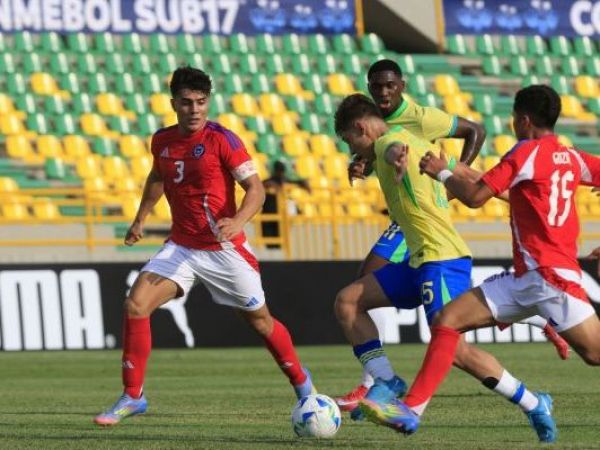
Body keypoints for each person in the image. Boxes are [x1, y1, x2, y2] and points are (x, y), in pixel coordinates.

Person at [336, 59, 568, 411]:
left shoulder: (405, 130)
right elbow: (457, 170)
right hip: (419, 251)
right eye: (377, 86)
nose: (383, 91)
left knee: (453, 345)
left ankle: (534, 401)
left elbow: (398, 147)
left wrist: (428, 174)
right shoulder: (398, 139)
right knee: (349, 299)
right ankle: (384, 380)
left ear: (360, 127)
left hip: (438, 253)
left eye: (350, 141)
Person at [376, 85, 600, 443]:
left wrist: (441, 172)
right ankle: (411, 410)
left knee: (595, 355)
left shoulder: (525, 152)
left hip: (550, 278)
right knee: (447, 321)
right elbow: (490, 182)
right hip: (526, 278)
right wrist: (452, 166)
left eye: (513, 118)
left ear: (523, 120)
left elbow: (476, 197)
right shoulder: (571, 156)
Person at [94, 67, 316, 426]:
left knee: (261, 322)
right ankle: (133, 396)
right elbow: (158, 176)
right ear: (173, 104)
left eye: (200, 102)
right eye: (186, 102)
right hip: (182, 247)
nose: (194, 109)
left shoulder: (223, 140)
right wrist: (140, 218)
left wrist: (238, 221)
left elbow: (256, 189)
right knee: (136, 304)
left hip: (224, 250)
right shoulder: (162, 140)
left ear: (208, 102)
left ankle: (303, 384)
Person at [261, 160, 309, 248]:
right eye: (280, 170)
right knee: (270, 241)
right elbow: (263, 184)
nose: (281, 173)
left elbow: (299, 182)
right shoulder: (270, 181)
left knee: (278, 240)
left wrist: (303, 183)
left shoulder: (282, 180)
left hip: (278, 214)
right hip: (270, 213)